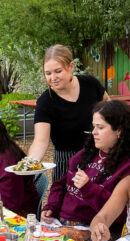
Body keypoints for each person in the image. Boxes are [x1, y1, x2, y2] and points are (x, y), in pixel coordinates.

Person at [41, 100, 130, 237]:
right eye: (93, 126)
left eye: (100, 127)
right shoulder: (87, 153)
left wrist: (88, 188)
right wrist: (51, 206)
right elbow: (61, 184)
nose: (94, 132)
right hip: (58, 222)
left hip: (92, 230)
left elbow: (122, 214)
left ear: (119, 130)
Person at [26, 44, 110, 182]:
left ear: (71, 66)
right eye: (48, 73)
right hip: (65, 162)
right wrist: (28, 165)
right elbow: (40, 142)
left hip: (96, 157)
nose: (53, 78)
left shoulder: (90, 84)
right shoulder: (45, 102)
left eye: (58, 71)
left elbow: (110, 108)